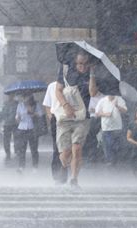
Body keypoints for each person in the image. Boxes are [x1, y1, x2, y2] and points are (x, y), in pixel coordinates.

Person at [55, 51, 97, 189]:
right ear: (75, 62)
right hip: (66, 117)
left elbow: (92, 93)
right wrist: (66, 106)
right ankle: (64, 165)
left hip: (83, 117)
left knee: (77, 148)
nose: (82, 67)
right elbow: (58, 91)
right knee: (66, 154)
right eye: (80, 64)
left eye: (85, 64)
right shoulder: (66, 70)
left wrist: (92, 73)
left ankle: (74, 179)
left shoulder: (91, 74)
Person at [43, 81, 67, 184]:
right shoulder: (52, 86)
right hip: (56, 118)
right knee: (57, 147)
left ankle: (65, 172)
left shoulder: (72, 84)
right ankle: (57, 174)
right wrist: (50, 116)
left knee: (67, 147)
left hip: (70, 118)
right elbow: (47, 104)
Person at [95, 93, 127, 166]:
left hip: (117, 127)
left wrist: (117, 106)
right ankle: (110, 160)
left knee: (116, 145)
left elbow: (125, 110)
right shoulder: (102, 101)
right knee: (108, 144)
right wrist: (105, 114)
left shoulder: (119, 99)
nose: (110, 94)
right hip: (106, 127)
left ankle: (115, 158)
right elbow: (97, 113)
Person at [15, 94, 44, 173]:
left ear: (30, 97)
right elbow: (17, 116)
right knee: (22, 149)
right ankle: (21, 166)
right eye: (23, 97)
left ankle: (35, 167)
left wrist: (32, 112)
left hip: (32, 129)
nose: (24, 99)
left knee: (34, 149)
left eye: (26, 97)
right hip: (22, 129)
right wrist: (18, 118)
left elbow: (40, 114)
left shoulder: (36, 104)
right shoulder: (20, 105)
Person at [83, 91, 104, 163]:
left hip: (101, 117)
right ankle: (92, 154)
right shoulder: (88, 93)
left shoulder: (105, 95)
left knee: (94, 135)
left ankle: (94, 154)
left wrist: (95, 110)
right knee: (91, 135)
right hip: (93, 117)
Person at [0, 94, 18, 162]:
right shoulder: (5, 104)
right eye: (9, 96)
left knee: (16, 138)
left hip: (15, 124)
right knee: (6, 140)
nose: (9, 97)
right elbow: (1, 113)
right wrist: (0, 117)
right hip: (7, 124)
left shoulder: (16, 104)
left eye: (11, 96)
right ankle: (8, 153)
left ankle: (16, 150)